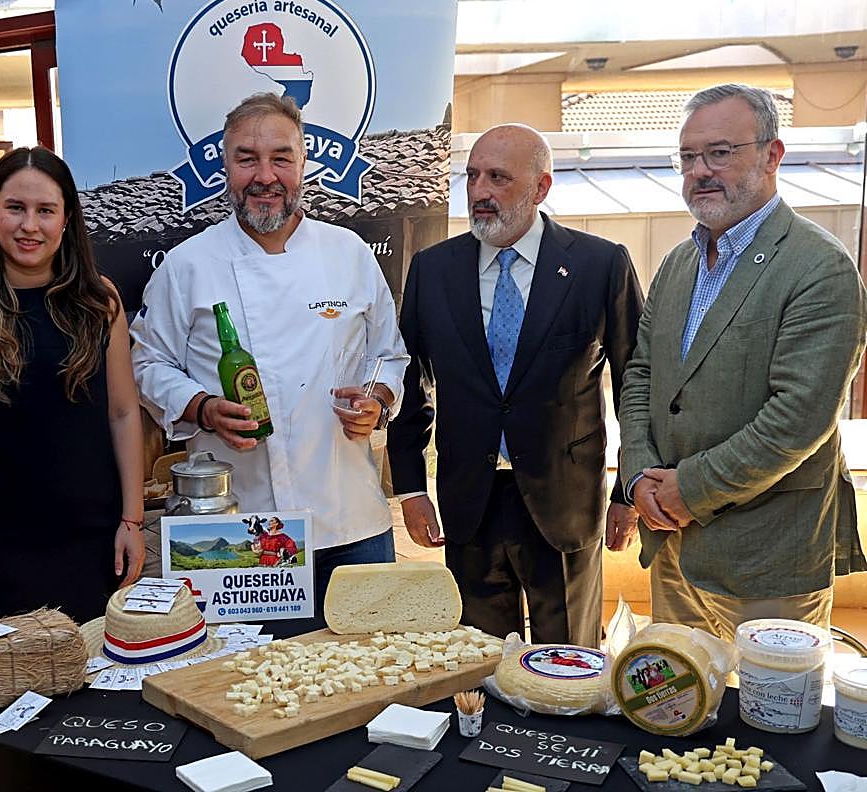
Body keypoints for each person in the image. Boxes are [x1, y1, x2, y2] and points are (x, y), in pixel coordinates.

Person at [130, 93, 408, 607]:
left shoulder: (349, 255)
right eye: (246, 159)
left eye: (281, 158)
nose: (265, 176)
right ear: (225, 167)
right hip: (237, 529)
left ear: (304, 164)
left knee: (367, 674)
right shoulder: (188, 266)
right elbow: (147, 364)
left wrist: (379, 400)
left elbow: (389, 356)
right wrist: (202, 408)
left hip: (351, 523)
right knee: (245, 679)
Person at [618, 83, 867, 638]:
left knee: (770, 719)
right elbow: (642, 376)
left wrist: (688, 490)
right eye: (688, 157)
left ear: (772, 155)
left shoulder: (819, 267)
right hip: (671, 547)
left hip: (766, 557)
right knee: (678, 711)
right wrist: (637, 473)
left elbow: (798, 418)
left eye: (720, 153)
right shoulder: (679, 262)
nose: (700, 170)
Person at [387, 124, 644, 647]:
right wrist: (412, 488)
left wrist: (629, 491)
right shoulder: (433, 270)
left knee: (571, 661)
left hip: (565, 505)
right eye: (473, 175)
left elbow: (637, 386)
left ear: (540, 187)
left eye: (498, 177)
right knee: (478, 664)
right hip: (469, 504)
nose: (479, 190)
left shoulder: (600, 264)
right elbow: (409, 382)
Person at [0, 146, 144, 623]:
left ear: (66, 220)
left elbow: (123, 414)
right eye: (15, 208)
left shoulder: (100, 301)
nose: (30, 225)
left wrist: (133, 519)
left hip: (91, 538)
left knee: (93, 685)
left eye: (45, 210)